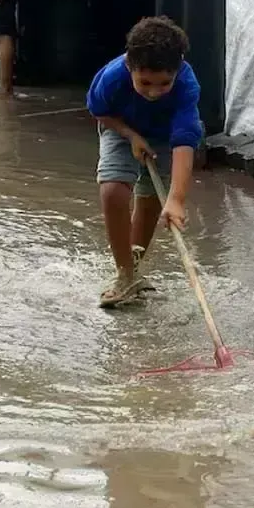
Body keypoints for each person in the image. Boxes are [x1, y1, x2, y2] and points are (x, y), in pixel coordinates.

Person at [87, 16, 203, 308]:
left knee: (152, 199)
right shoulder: (112, 77)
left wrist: (176, 200)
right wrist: (131, 136)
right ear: (130, 66)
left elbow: (184, 143)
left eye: (164, 83)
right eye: (145, 82)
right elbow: (100, 111)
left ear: (178, 70)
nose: (154, 91)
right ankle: (124, 273)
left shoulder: (187, 86)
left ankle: (134, 265)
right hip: (120, 127)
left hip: (165, 137)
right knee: (113, 189)